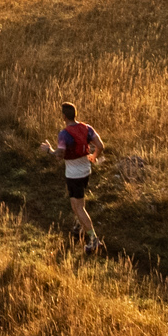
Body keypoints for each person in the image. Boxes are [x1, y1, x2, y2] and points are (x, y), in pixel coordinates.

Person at [39, 102, 104, 253]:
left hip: (73, 174)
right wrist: (94, 157)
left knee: (78, 206)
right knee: (78, 203)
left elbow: (59, 156)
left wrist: (49, 150)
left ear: (63, 116)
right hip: (86, 171)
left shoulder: (64, 134)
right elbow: (100, 146)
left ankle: (94, 240)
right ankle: (80, 226)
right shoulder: (87, 128)